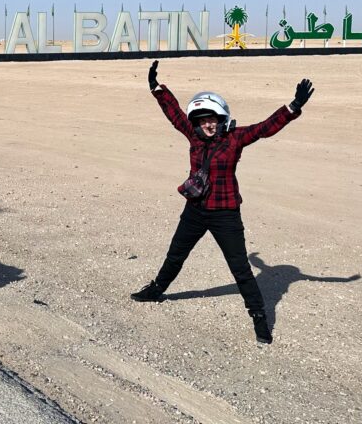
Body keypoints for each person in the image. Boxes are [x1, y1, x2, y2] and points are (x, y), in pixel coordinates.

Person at [131, 60, 314, 344]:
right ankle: (156, 289)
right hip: (195, 210)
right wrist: (157, 88)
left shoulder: (235, 138)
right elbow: (174, 113)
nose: (208, 125)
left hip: (225, 214)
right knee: (176, 254)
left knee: (240, 268)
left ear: (221, 118)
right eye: (203, 120)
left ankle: (259, 318)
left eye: (212, 119)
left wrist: (292, 107)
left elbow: (266, 128)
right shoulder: (193, 135)